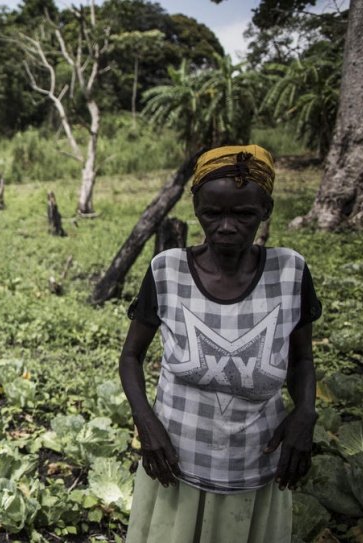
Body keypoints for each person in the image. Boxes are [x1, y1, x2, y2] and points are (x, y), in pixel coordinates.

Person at [119, 145, 321, 542]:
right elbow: (130, 356)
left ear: (266, 210)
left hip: (255, 464)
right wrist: (146, 423)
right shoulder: (167, 271)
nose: (226, 226)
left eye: (243, 214)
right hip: (175, 463)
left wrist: (305, 414)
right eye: (213, 214)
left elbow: (301, 360)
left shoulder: (290, 272)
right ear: (196, 209)